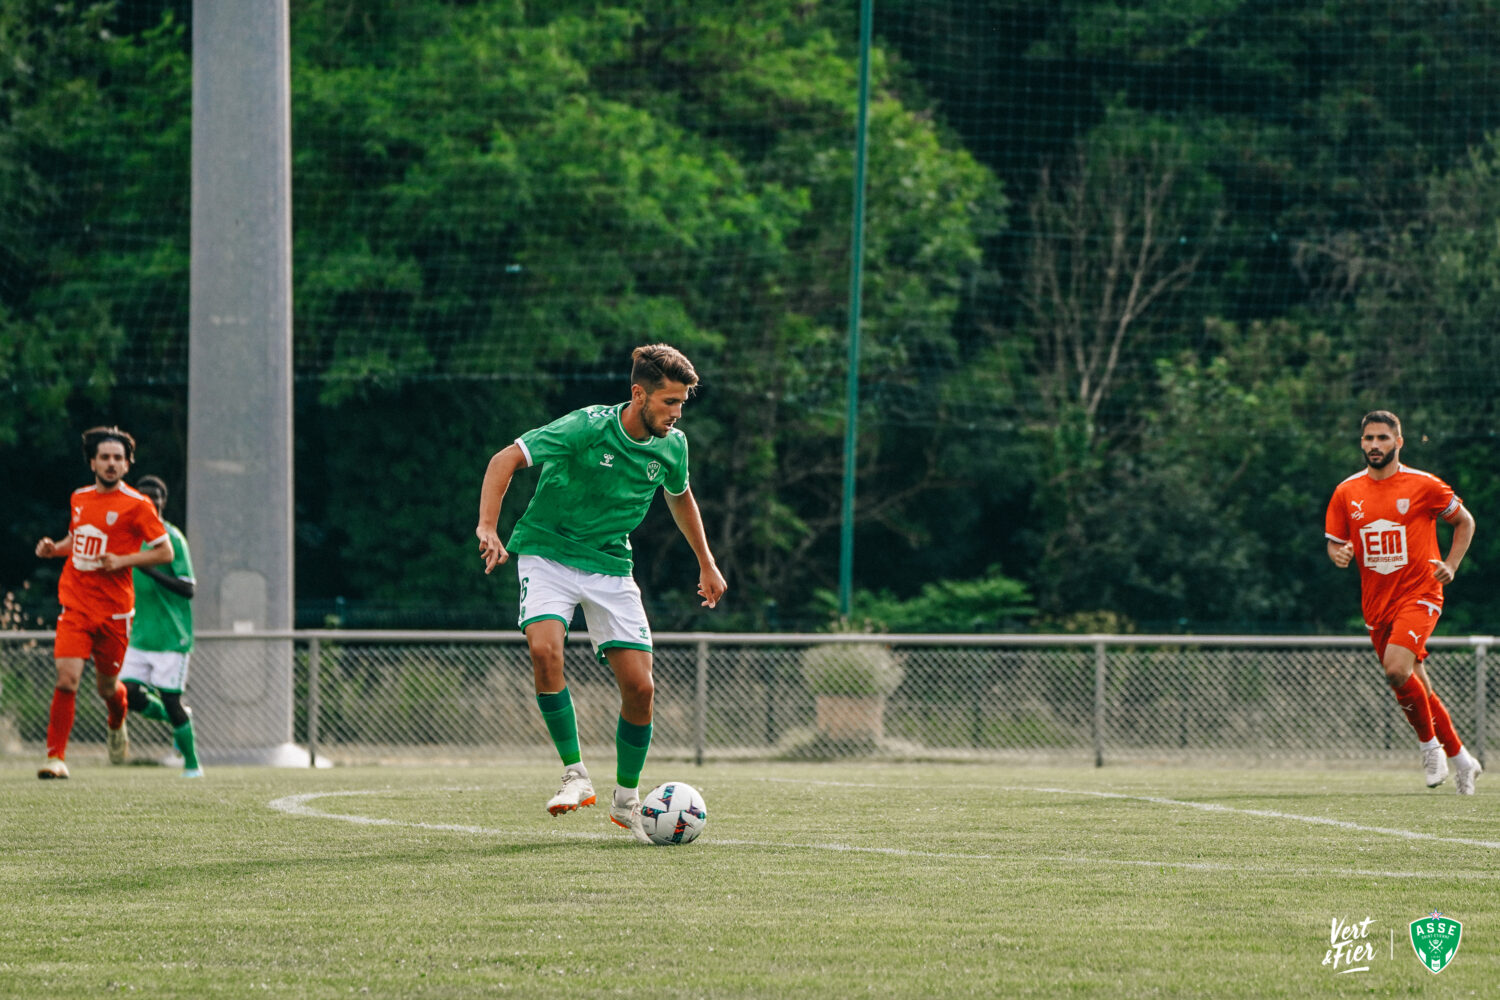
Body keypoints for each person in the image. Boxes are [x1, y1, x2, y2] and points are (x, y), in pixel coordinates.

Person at [475, 343, 728, 842]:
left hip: (611, 566)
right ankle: (575, 775)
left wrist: (707, 561)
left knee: (642, 689)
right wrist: (488, 527)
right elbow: (505, 459)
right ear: (639, 394)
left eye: (682, 404)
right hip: (547, 552)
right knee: (545, 651)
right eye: (668, 403)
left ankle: (626, 801)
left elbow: (681, 500)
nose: (676, 415)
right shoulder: (586, 427)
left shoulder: (672, 446)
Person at [1325, 410, 1482, 794]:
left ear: (1399, 442)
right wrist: (1338, 554)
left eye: (1382, 438)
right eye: (1368, 439)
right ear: (1361, 443)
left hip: (1421, 594)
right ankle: (1463, 759)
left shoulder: (1423, 485)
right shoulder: (1347, 491)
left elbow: (1465, 521)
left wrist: (1451, 564)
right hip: (1376, 605)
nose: (1374, 445)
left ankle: (1430, 748)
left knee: (1396, 670)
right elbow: (1334, 541)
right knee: (1419, 688)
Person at [33, 426, 173, 779]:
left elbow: (164, 551)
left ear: (127, 465)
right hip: (76, 604)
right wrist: (55, 549)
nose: (111, 463)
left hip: (114, 611)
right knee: (67, 679)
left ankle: (117, 718)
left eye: (118, 458)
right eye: (105, 457)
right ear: (92, 462)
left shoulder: (138, 505)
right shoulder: (79, 498)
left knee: (107, 688)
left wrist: (123, 561)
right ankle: (55, 758)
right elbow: (78, 540)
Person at [119, 475, 203, 778]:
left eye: (156, 498)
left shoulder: (172, 538)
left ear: (163, 502)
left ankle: (192, 765)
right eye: (144, 497)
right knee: (123, 693)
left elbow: (188, 588)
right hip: (140, 634)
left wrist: (149, 569)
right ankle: (175, 721)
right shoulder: (127, 536)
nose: (150, 502)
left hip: (172, 636)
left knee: (170, 699)